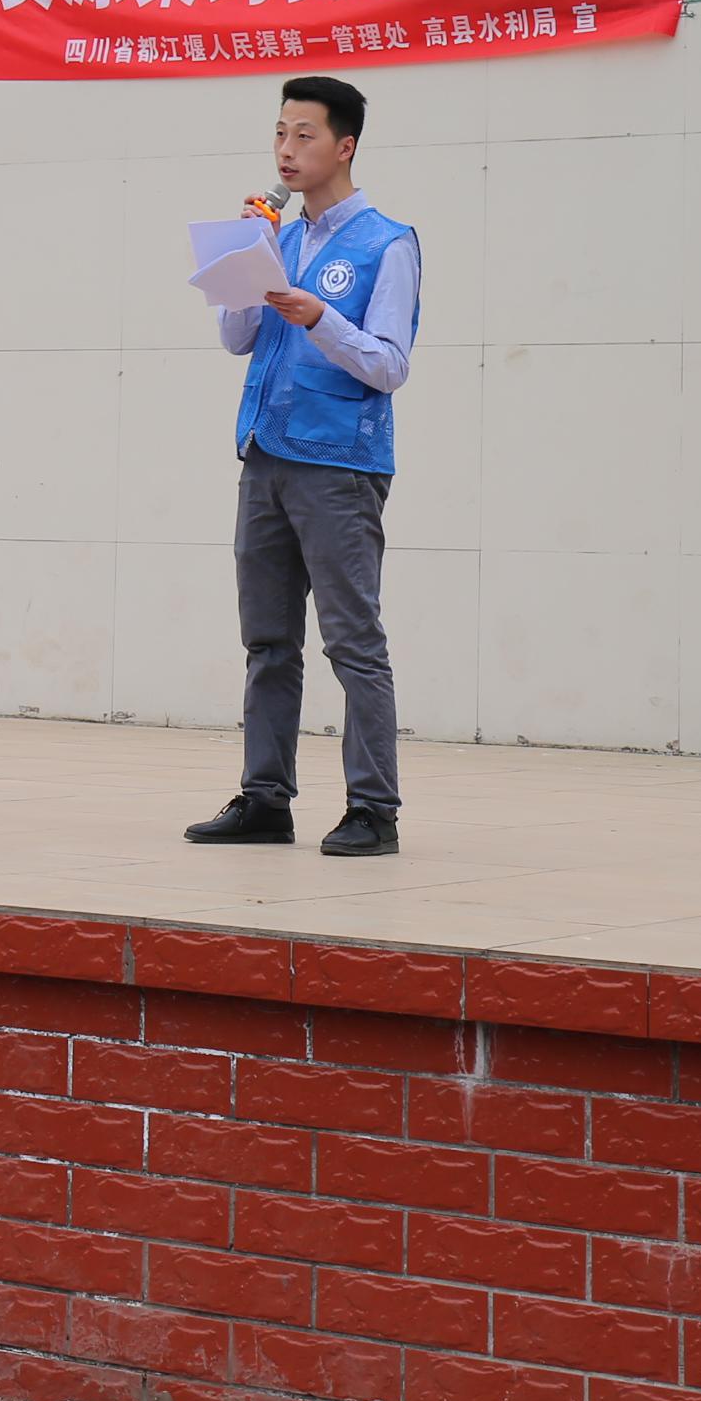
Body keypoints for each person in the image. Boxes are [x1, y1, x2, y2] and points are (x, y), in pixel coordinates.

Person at [186, 75, 420, 858]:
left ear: (344, 146)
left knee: (353, 642)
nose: (286, 150)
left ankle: (373, 810)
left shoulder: (387, 243)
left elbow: (389, 365)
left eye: (304, 136)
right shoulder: (279, 238)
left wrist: (321, 317)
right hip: (266, 454)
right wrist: (245, 258)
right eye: (280, 134)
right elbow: (237, 339)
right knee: (268, 640)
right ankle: (265, 799)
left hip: (340, 466)